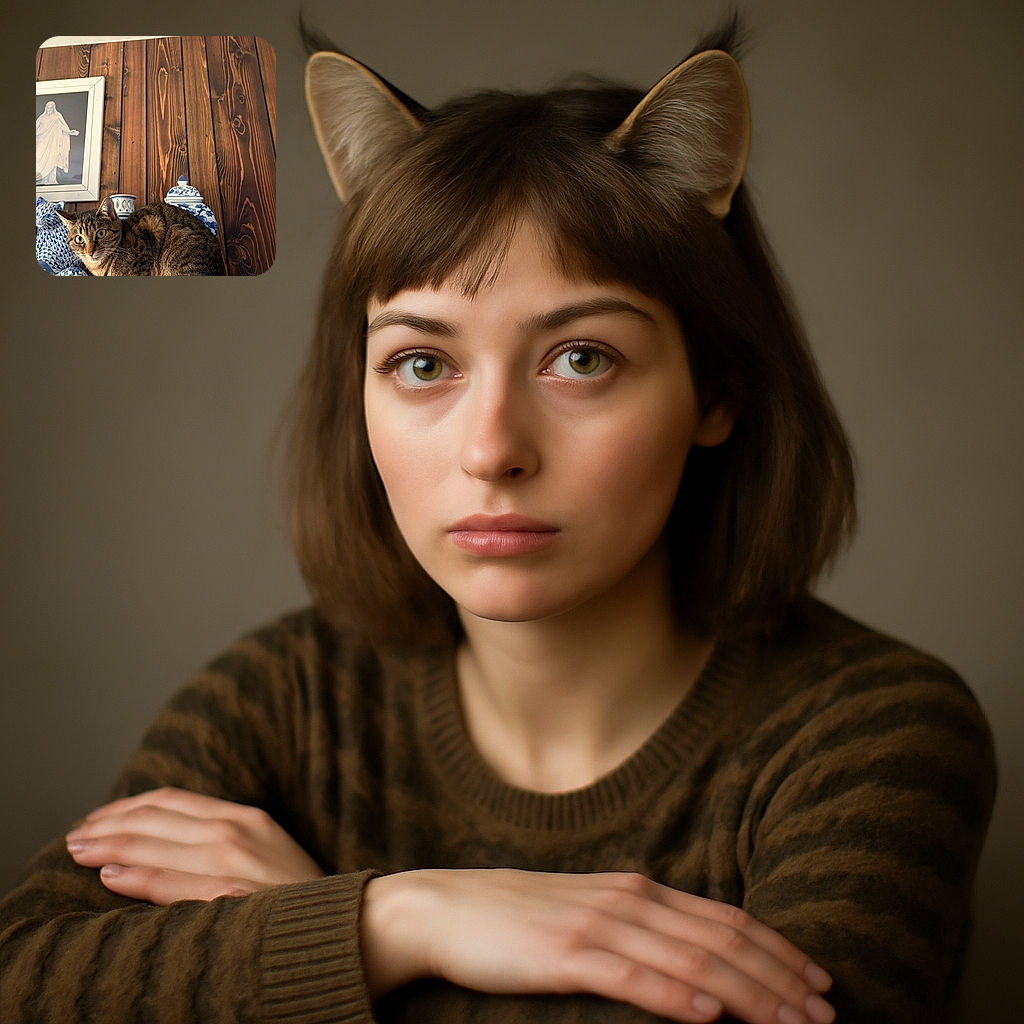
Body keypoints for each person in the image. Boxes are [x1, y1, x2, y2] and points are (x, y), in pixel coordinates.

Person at [1, 21, 995, 1024]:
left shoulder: (871, 730)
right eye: (422, 363)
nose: (490, 450)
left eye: (580, 358)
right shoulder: (287, 698)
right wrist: (400, 916)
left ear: (716, 392)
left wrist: (303, 927)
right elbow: (28, 974)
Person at [35, 100, 80, 184]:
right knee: (39, 159)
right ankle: (40, 179)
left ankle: (50, 180)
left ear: (53, 108)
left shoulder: (57, 116)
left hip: (53, 143)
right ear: (46, 108)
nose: (49, 109)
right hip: (41, 142)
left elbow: (63, 127)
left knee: (52, 159)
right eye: (48, 107)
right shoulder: (42, 117)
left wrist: (70, 132)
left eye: (51, 108)